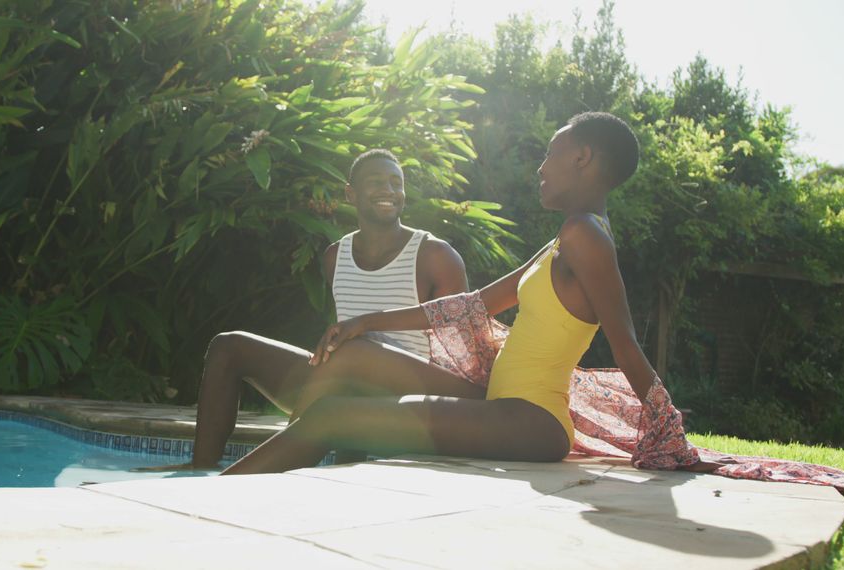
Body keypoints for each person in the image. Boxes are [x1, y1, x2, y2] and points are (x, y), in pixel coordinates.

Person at [221, 112, 705, 475]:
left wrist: (669, 433)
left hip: (531, 421)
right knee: (333, 414)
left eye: (550, 153)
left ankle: (211, 499)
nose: (541, 166)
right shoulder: (569, 236)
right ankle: (227, 499)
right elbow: (471, 307)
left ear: (583, 158)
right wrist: (368, 322)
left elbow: (625, 345)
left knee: (330, 416)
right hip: (505, 412)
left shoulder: (587, 238)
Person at [142, 149, 479, 471]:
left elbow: (461, 359)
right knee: (228, 345)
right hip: (345, 379)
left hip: (409, 396)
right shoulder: (336, 256)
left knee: (355, 350)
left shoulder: (435, 256)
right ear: (351, 193)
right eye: (376, 182)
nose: (388, 190)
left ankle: (271, 467)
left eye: (396, 183)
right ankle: (199, 469)